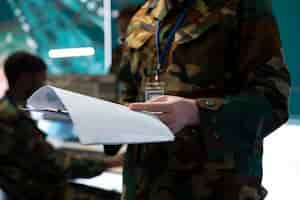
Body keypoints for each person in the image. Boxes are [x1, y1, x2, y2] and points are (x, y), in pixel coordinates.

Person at [118, 0, 291, 200]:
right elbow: (128, 91)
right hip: (143, 187)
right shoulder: (142, 16)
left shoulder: (243, 6)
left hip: (216, 189)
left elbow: (273, 100)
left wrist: (196, 112)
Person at [0, 51, 119, 200]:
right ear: (25, 79)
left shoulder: (11, 110)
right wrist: (110, 162)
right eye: (41, 81)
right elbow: (58, 164)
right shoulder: (11, 119)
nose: (42, 87)